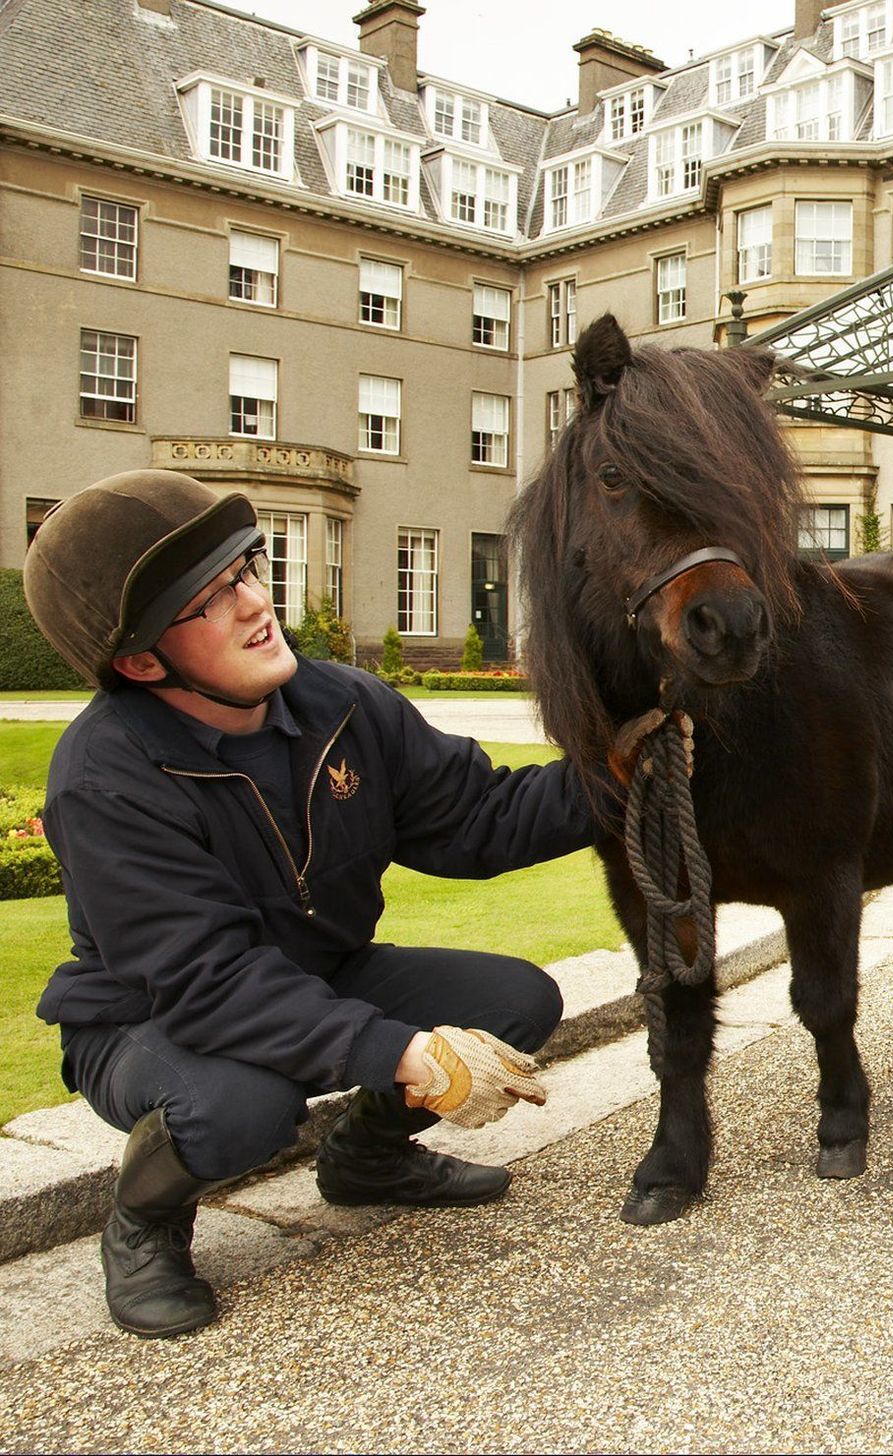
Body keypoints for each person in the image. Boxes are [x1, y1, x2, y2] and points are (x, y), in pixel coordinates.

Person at [23, 470, 601, 1339]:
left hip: (319, 969)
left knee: (515, 1000)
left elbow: (476, 819)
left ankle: (365, 1159)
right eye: (210, 601)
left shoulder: (340, 702)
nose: (258, 603)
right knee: (237, 1108)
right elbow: (208, 982)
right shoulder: (104, 780)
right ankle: (143, 1223)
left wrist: (623, 773)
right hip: (148, 1021)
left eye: (247, 570)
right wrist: (407, 1054)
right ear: (141, 661)